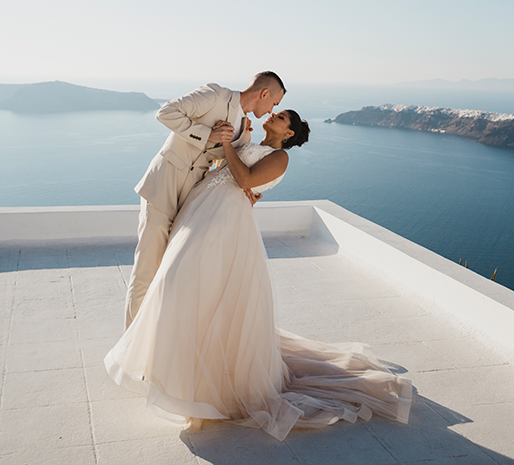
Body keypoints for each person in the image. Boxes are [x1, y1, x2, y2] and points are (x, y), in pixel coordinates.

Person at [106, 109, 412, 441]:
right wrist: (230, 142)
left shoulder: (280, 157)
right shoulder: (248, 140)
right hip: (202, 207)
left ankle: (194, 380)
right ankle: (177, 369)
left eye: (281, 117)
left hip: (224, 219)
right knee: (190, 284)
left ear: (289, 133)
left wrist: (227, 147)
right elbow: (223, 170)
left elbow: (245, 180)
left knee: (179, 279)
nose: (274, 115)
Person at [124, 72, 286, 327]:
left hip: (191, 199)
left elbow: (227, 168)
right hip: (163, 184)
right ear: (264, 94)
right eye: (274, 104)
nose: (271, 110)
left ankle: (158, 338)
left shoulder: (245, 134)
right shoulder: (215, 95)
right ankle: (131, 349)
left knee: (172, 271)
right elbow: (166, 112)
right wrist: (206, 134)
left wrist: (245, 195)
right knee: (146, 269)